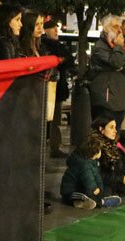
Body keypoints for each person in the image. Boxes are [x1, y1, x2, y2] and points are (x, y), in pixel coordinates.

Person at [88, 15, 125, 129]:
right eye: (115, 27)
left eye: (120, 27)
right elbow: (116, 63)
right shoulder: (100, 47)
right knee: (103, 136)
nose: (119, 30)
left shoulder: (117, 47)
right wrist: (119, 47)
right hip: (106, 101)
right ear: (105, 29)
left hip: (120, 101)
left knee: (115, 136)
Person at [60, 135, 123, 209]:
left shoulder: (93, 162)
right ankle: (101, 202)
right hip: (71, 191)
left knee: (106, 190)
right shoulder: (83, 164)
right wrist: (93, 189)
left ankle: (93, 201)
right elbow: (88, 179)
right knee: (87, 194)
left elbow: (97, 176)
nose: (101, 152)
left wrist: (99, 188)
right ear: (94, 151)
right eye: (100, 150)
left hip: (83, 187)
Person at [41, 19, 74, 158]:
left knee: (56, 120)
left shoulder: (59, 45)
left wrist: (62, 60)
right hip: (46, 87)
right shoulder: (43, 45)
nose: (56, 31)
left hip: (58, 88)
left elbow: (69, 60)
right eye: (53, 28)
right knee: (45, 120)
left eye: (56, 28)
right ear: (46, 30)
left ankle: (55, 146)